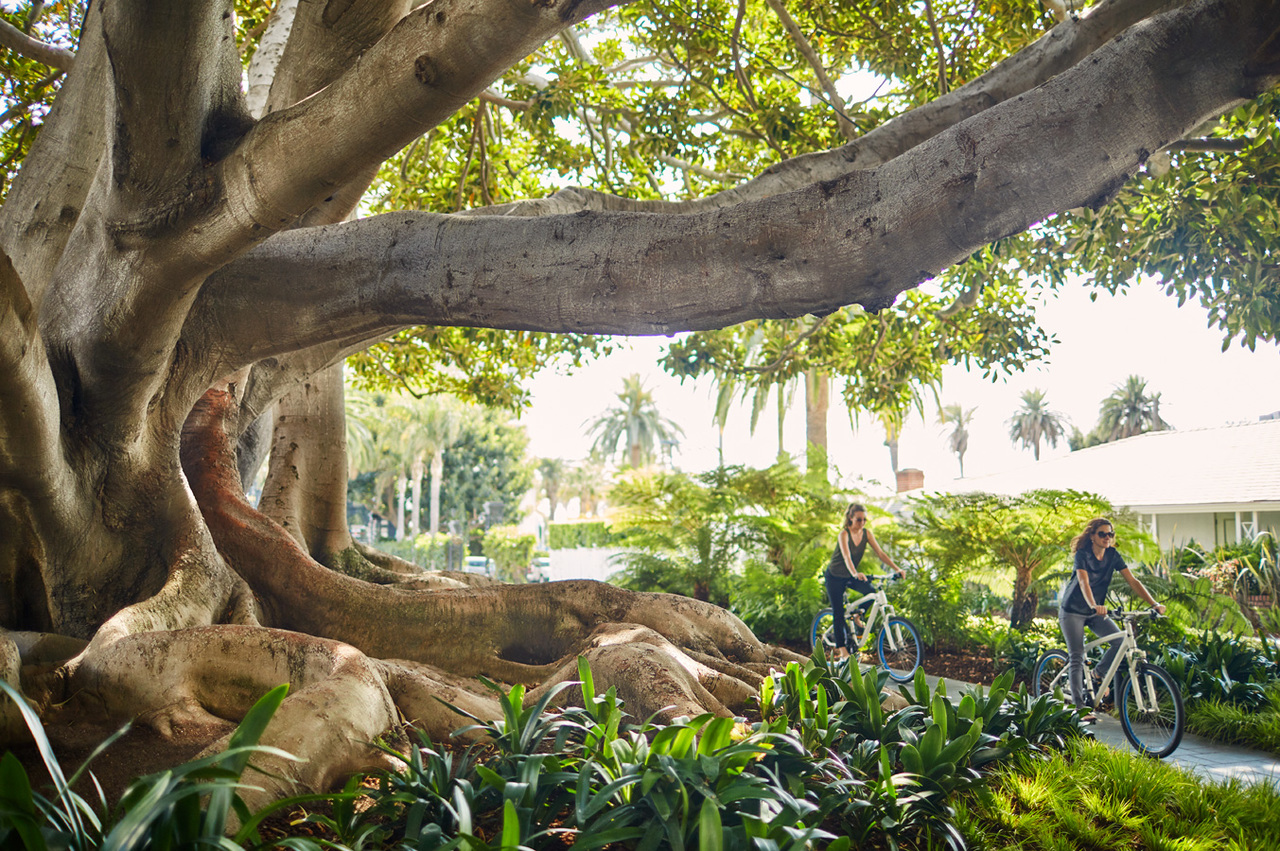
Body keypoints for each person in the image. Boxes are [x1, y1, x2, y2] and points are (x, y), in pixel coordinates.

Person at [1059, 517, 1165, 722]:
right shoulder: (1083, 555)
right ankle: (1079, 708)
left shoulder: (1113, 555)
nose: (1108, 537)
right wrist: (1092, 604)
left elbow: (1133, 581)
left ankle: (1097, 675)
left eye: (1111, 534)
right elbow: (1083, 581)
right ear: (1092, 536)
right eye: (1102, 534)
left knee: (1119, 641)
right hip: (1073, 610)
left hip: (1096, 611)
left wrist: (1154, 604)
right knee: (1077, 655)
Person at [825, 503, 904, 659]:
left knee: (871, 592)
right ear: (850, 518)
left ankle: (857, 615)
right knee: (838, 613)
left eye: (864, 520)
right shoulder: (844, 534)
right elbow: (847, 556)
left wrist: (897, 569)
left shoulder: (866, 534)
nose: (862, 523)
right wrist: (855, 573)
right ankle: (843, 652)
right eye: (858, 520)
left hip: (851, 574)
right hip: (834, 576)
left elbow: (880, 553)